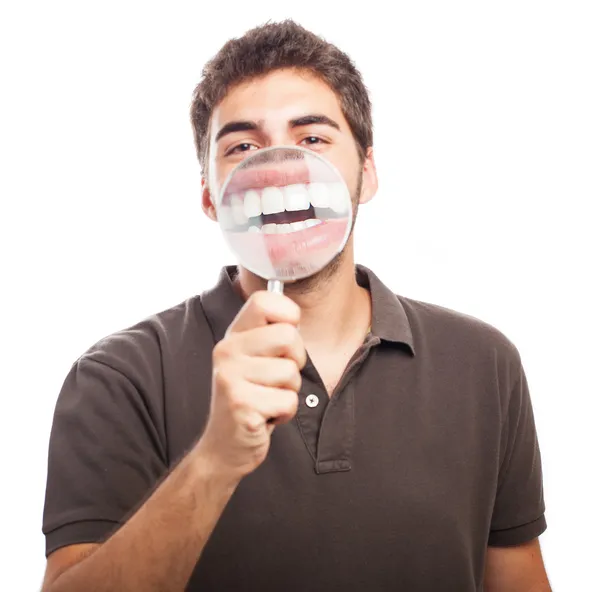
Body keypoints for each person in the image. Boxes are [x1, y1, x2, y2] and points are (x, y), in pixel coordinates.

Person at [41, 19, 551, 592]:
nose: (280, 163)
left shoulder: (483, 363)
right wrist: (215, 460)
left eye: (312, 138)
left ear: (367, 172)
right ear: (211, 194)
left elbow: (519, 578)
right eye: (242, 146)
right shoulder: (119, 377)